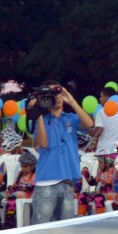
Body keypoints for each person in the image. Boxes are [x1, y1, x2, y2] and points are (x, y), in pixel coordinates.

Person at [30, 81, 94, 223]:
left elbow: (89, 124)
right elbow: (43, 143)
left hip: (67, 181)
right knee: (40, 230)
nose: (56, 97)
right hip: (46, 181)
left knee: (65, 230)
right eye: (51, 94)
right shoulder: (41, 119)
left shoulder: (70, 117)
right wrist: (38, 114)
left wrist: (71, 101)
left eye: (58, 93)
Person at [89, 85, 118, 154]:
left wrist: (87, 129)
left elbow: (97, 133)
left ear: (107, 97)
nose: (100, 99)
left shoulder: (102, 112)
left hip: (104, 151)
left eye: (101, 96)